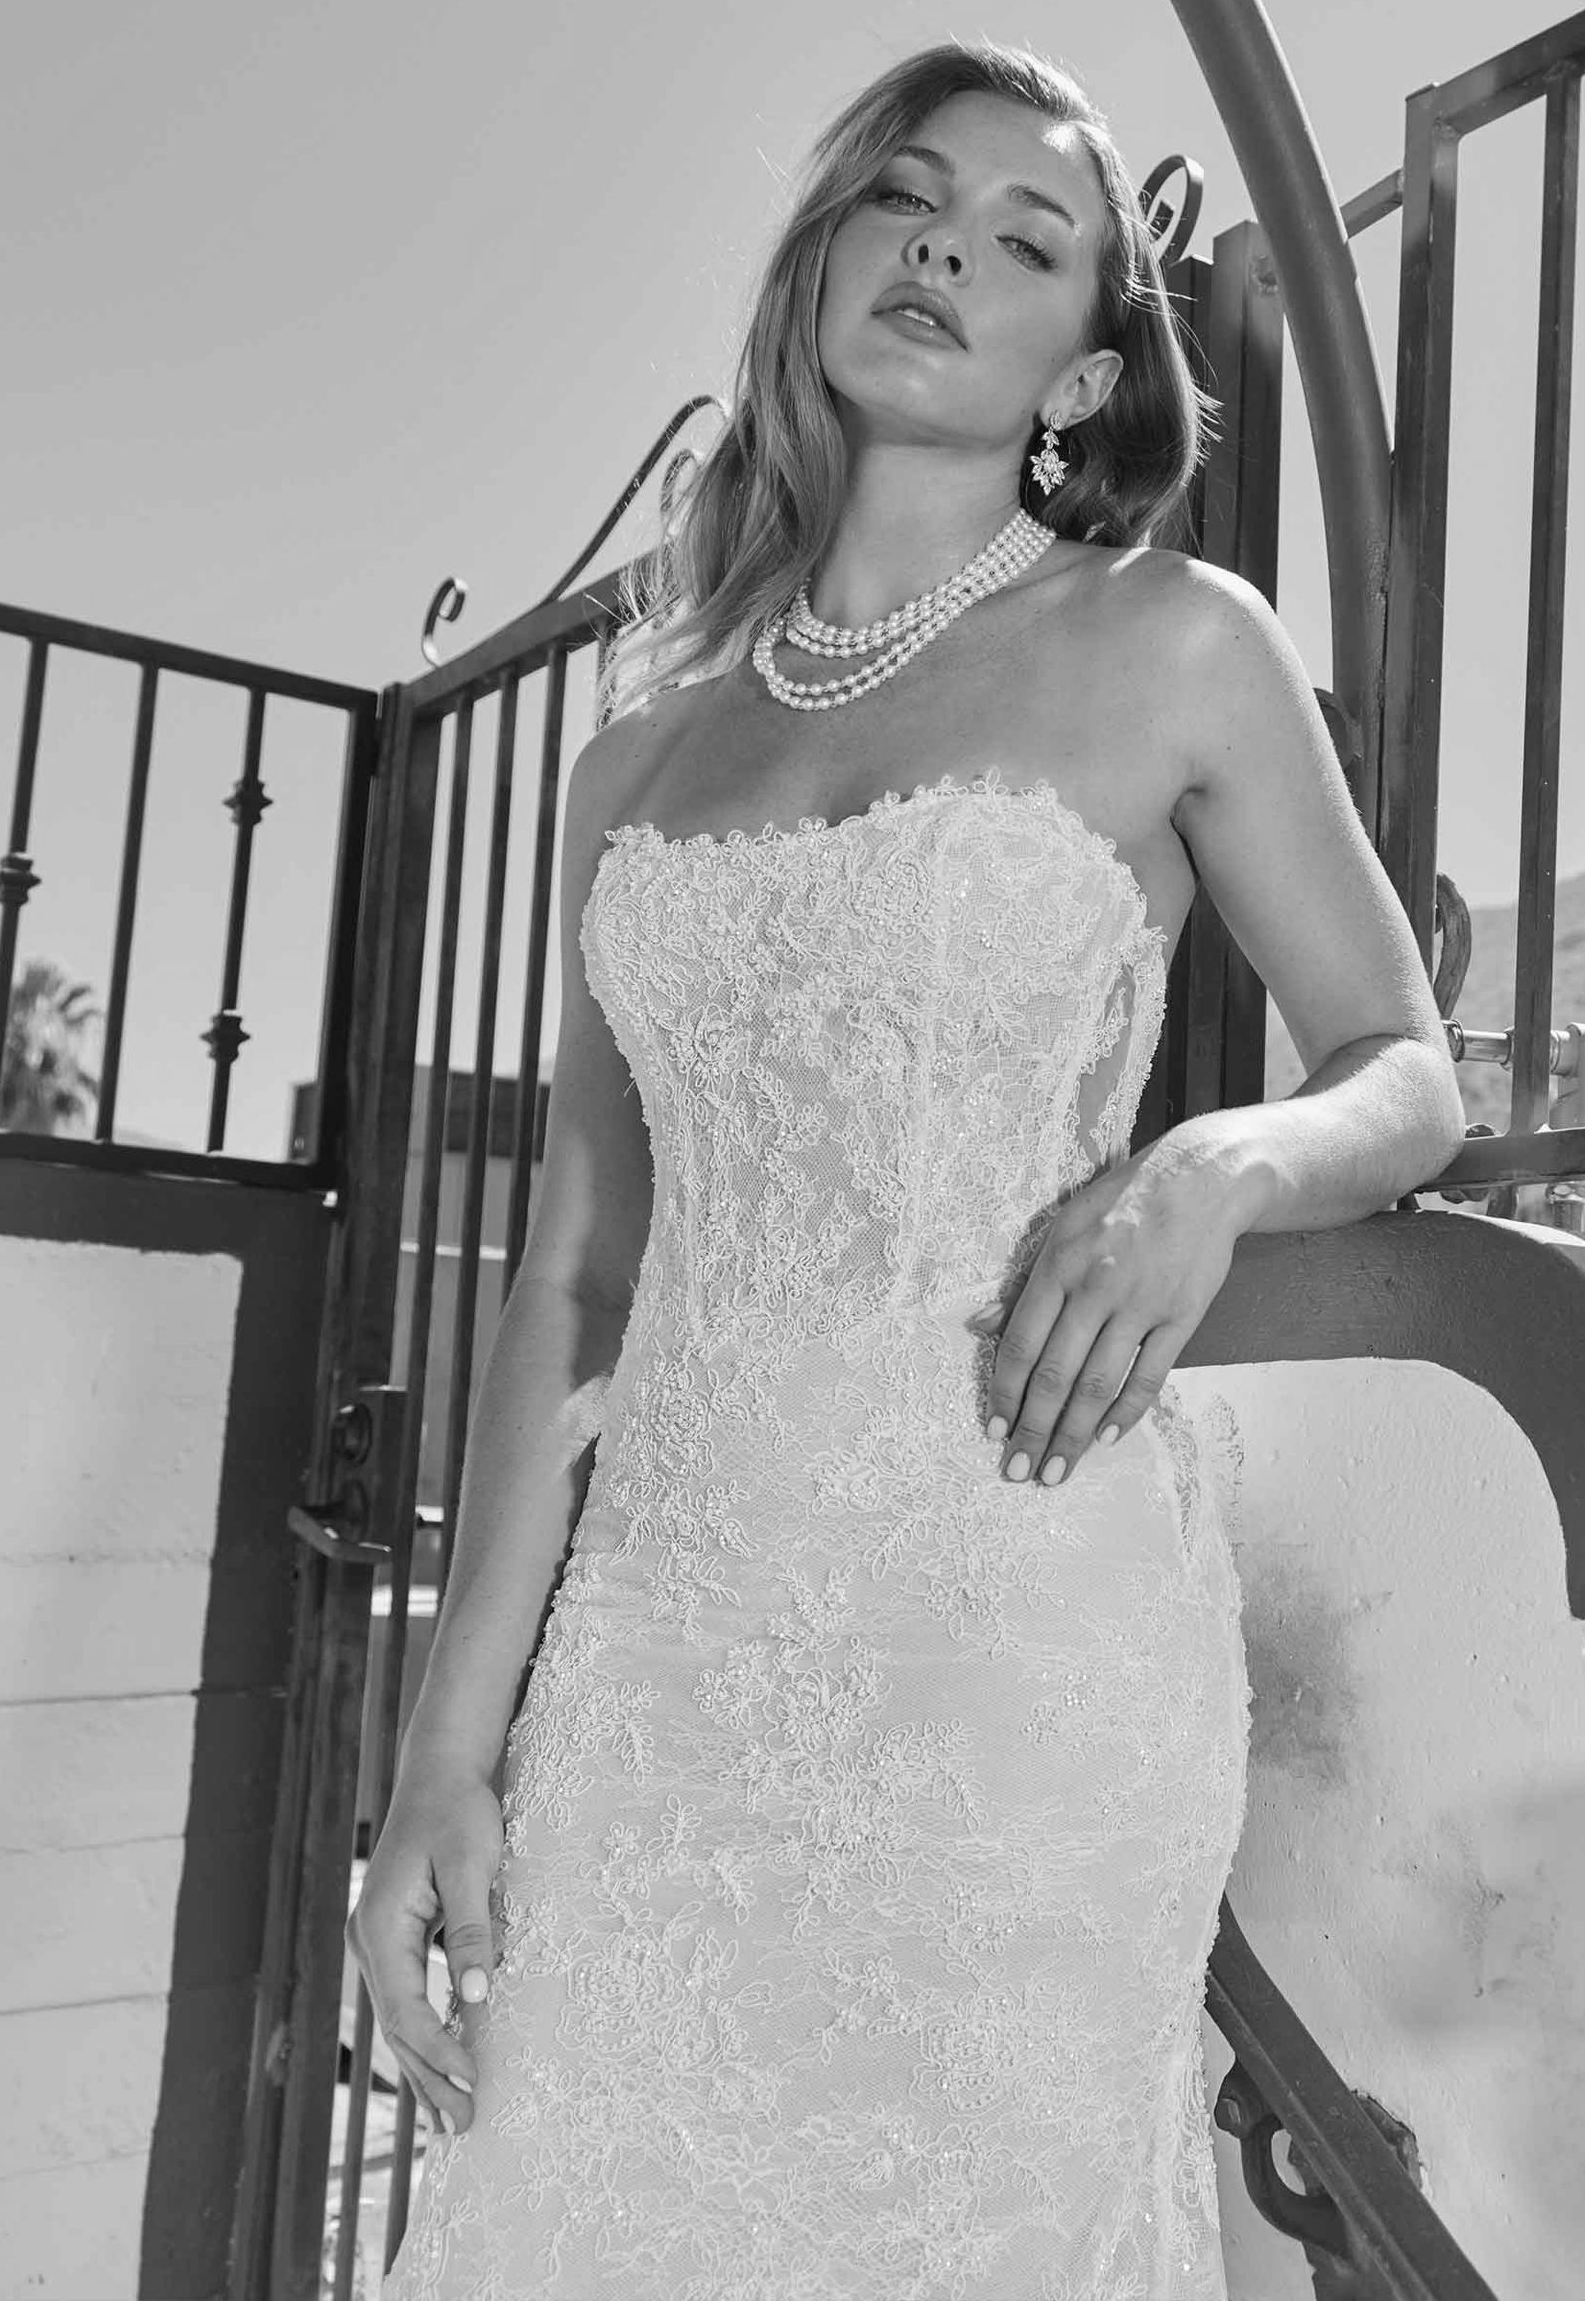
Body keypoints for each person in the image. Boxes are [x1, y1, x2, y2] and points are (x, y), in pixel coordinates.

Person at [352, 38, 1465, 2300]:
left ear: (1086, 360)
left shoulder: (1169, 640)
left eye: (1030, 237)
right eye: (906, 198)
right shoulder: (640, 751)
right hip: (663, 1646)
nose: (950, 243)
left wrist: (1210, 1169)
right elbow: (572, 1275)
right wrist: (440, 1756)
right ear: (828, 258)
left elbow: (1401, 1067)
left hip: (1012, 1632)